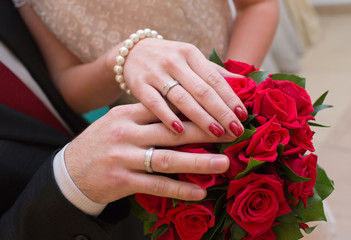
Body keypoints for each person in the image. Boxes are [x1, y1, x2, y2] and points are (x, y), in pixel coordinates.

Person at [0, 0, 279, 239]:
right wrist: (122, 57)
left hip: (240, 95)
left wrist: (228, 90)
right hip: (162, 141)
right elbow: (68, 84)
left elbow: (256, 5)